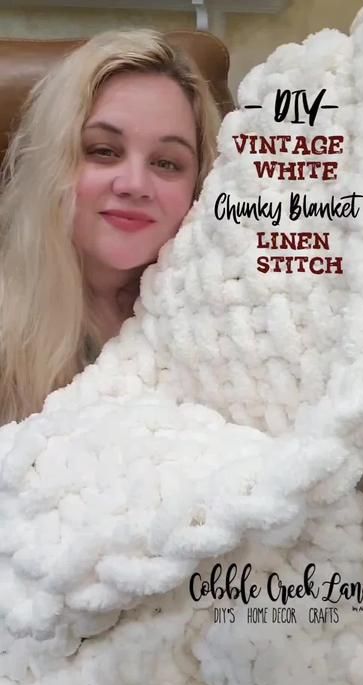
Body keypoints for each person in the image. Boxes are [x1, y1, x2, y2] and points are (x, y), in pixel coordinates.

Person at [0, 29, 221, 426]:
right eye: (103, 151)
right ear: (53, 162)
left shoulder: (225, 326)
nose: (134, 185)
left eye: (167, 163)